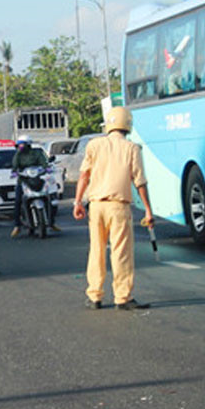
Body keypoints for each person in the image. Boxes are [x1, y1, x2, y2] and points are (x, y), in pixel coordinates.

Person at [72, 106, 153, 311]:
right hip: (119, 207)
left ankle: (94, 296)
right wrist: (148, 210)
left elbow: (84, 175)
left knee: (96, 250)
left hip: (96, 206)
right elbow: (139, 182)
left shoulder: (94, 145)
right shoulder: (132, 148)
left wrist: (78, 202)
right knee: (121, 252)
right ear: (128, 125)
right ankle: (122, 297)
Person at [10, 135, 59, 237]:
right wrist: (15, 172)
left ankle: (51, 222)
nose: (20, 147)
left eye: (22, 145)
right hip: (24, 180)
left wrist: (47, 168)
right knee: (18, 200)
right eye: (19, 145)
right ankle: (17, 226)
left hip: (37, 179)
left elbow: (43, 162)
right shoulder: (18, 155)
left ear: (28, 144)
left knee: (51, 198)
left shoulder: (36, 153)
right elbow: (15, 166)